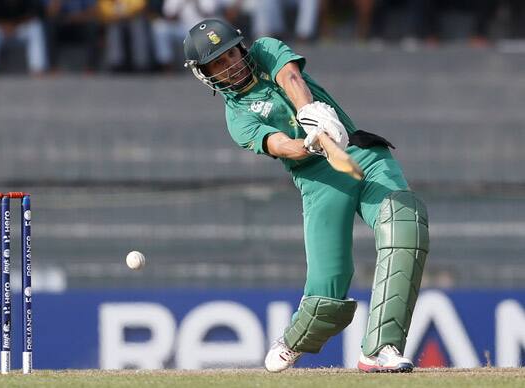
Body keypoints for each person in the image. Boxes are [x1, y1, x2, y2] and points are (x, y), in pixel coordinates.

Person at [183, 19, 429, 373]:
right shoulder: (236, 117)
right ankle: (294, 340)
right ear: (206, 74)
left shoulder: (266, 50)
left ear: (241, 47)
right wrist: (308, 143)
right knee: (325, 299)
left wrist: (310, 113)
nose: (230, 64)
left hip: (362, 153)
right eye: (217, 63)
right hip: (318, 180)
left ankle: (379, 349)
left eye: (230, 54)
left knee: (405, 226)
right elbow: (278, 144)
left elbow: (291, 78)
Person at [0, 0, 48, 75]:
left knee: (35, 27)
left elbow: (34, 14)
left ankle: (38, 67)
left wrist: (15, 25)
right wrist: (5, 25)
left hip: (21, 29)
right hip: (2, 30)